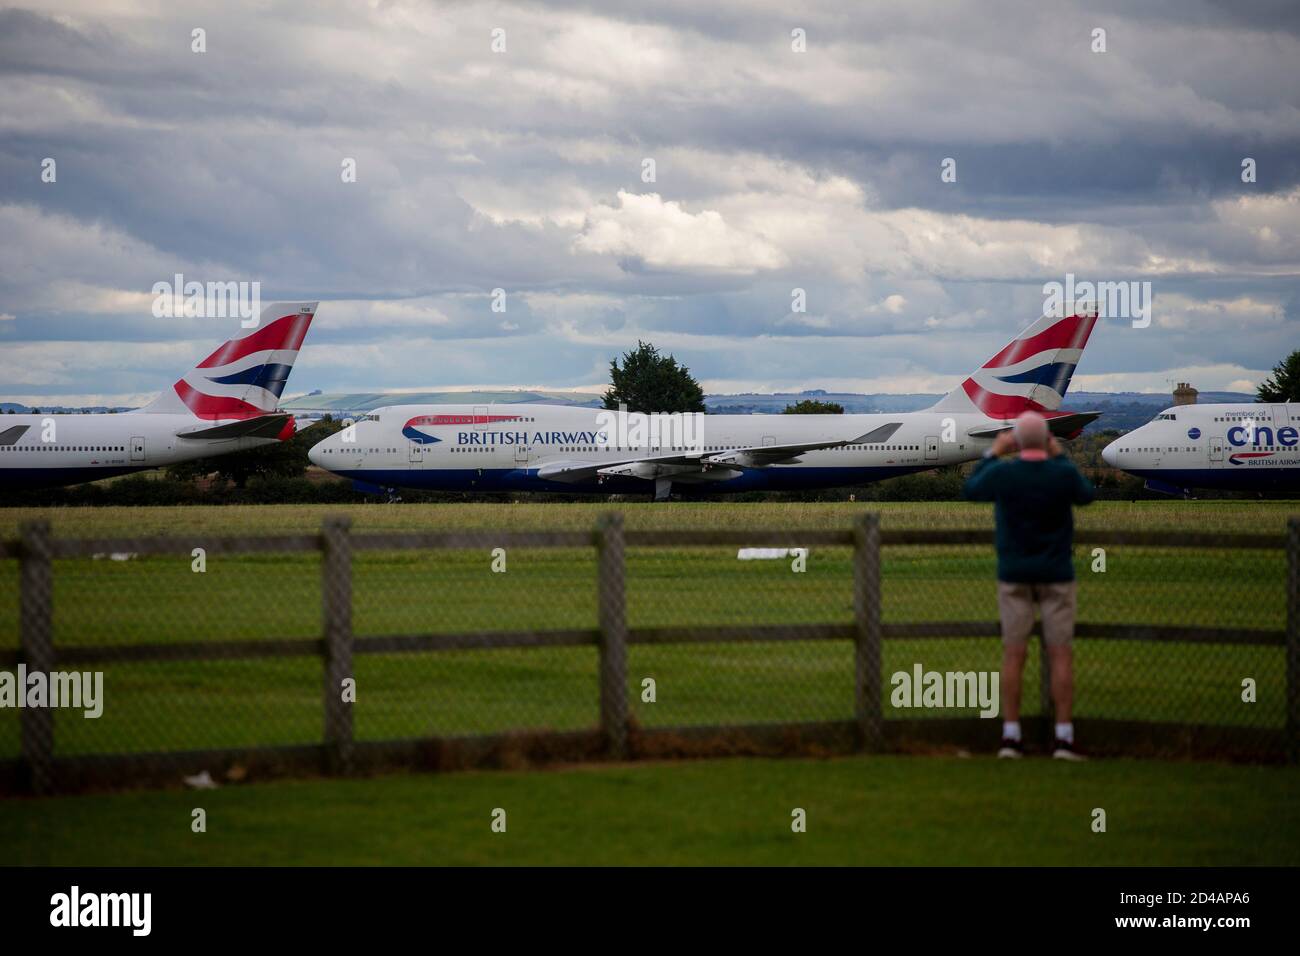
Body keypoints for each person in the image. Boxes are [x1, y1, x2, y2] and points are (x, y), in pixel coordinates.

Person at [962, 410, 1095, 760]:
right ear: (1048, 441)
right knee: (1061, 654)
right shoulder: (1062, 473)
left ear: (1016, 441)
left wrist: (993, 453)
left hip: (1014, 574)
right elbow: (1086, 495)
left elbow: (972, 490)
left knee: (1013, 654)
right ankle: (1064, 738)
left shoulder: (1005, 474)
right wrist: (1060, 456)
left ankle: (1010, 736)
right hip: (1056, 574)